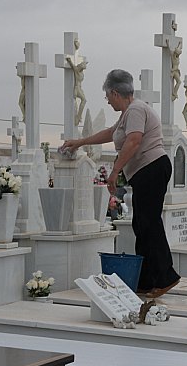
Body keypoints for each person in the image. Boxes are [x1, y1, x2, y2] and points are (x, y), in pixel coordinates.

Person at [61, 69, 180, 298]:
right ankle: (147, 281)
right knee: (142, 224)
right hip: (148, 170)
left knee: (148, 223)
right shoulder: (128, 113)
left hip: (151, 168)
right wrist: (81, 142)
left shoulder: (135, 109)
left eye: (107, 95)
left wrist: (114, 171)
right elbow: (110, 133)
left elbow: (134, 140)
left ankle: (164, 277)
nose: (107, 100)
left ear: (115, 92)